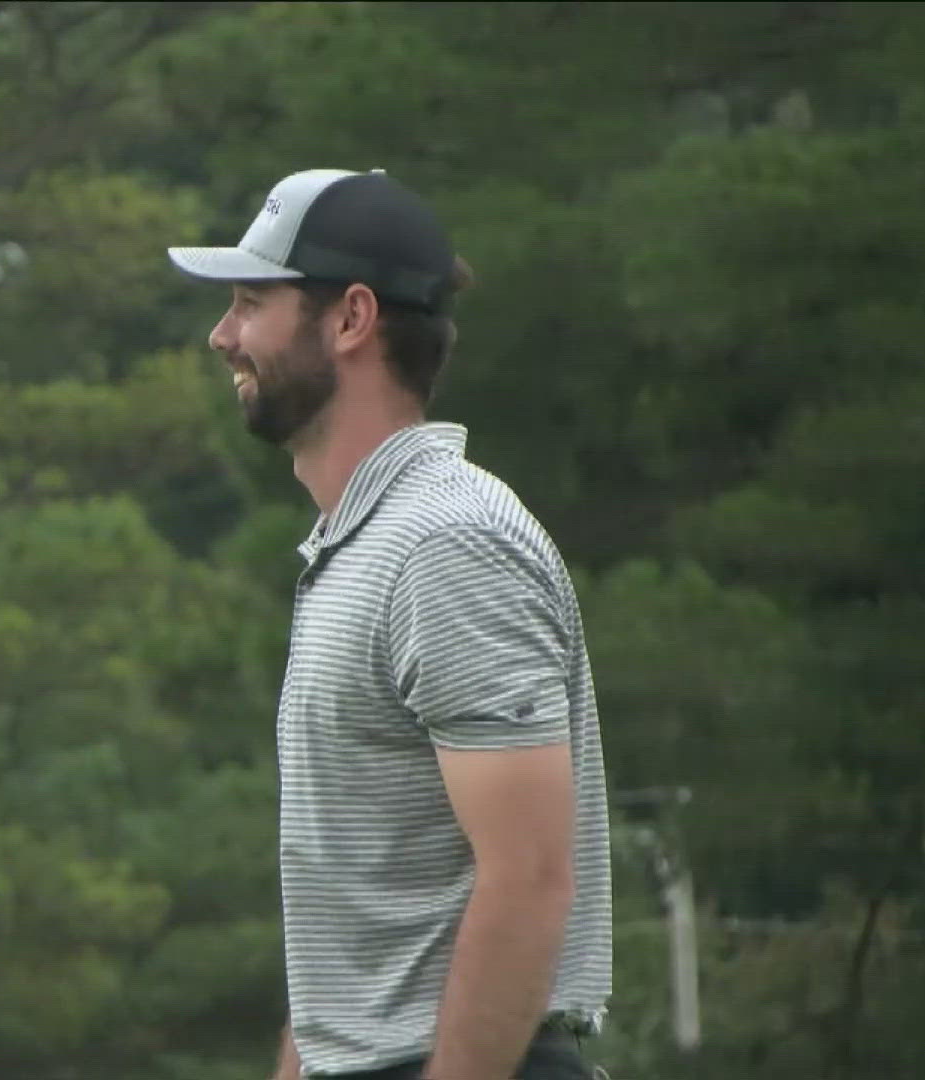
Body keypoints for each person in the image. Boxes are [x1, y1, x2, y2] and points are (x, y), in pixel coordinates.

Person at [166, 169, 613, 1080]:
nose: (222, 336)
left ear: (350, 319)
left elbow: (529, 882)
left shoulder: (448, 544)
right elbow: (353, 955)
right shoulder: (362, 545)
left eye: (252, 302)